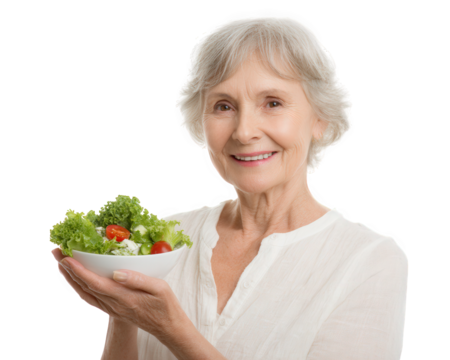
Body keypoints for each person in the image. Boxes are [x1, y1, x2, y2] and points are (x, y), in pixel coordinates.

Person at [53, 16, 410, 359]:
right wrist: (123, 313)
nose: (243, 131)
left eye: (273, 103)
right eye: (223, 106)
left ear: (320, 118)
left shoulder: (371, 261)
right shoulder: (166, 239)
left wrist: (172, 330)